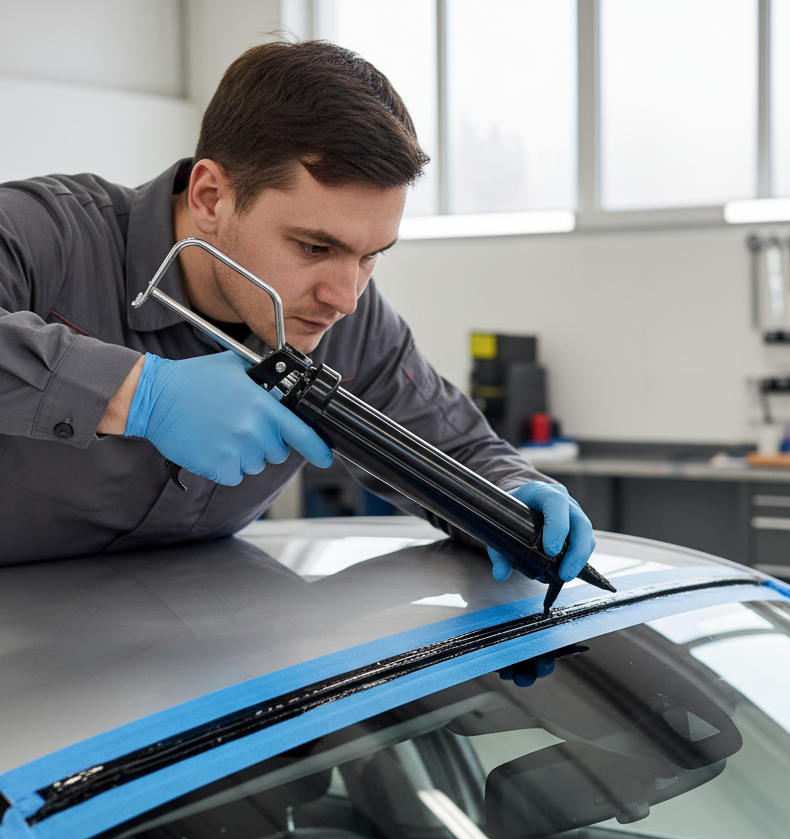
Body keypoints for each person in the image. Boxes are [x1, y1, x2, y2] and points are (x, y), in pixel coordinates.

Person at [0, 40, 594, 579]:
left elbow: (454, 451)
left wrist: (511, 497)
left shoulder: (350, 322)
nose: (345, 299)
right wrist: (139, 394)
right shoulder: (44, 235)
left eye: (370, 256)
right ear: (210, 197)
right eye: (314, 247)